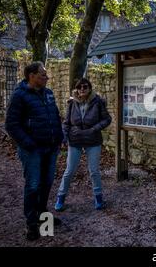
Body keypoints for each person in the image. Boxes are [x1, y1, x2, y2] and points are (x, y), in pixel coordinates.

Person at [5, 61, 64, 241]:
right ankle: (31, 224)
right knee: (33, 185)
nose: (47, 77)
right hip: (33, 150)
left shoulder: (48, 93)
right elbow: (11, 125)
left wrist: (59, 137)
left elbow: (54, 115)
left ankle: (43, 215)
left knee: (46, 183)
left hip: (51, 147)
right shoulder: (20, 96)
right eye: (43, 75)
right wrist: (28, 143)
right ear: (32, 76)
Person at [55, 78, 111, 212]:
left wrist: (94, 129)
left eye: (85, 87)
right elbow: (66, 123)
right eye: (79, 87)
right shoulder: (72, 103)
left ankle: (98, 199)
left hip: (93, 140)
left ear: (90, 88)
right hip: (75, 141)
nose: (82, 90)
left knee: (94, 171)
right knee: (69, 171)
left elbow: (107, 119)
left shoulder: (98, 102)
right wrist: (64, 137)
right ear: (76, 89)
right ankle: (60, 197)